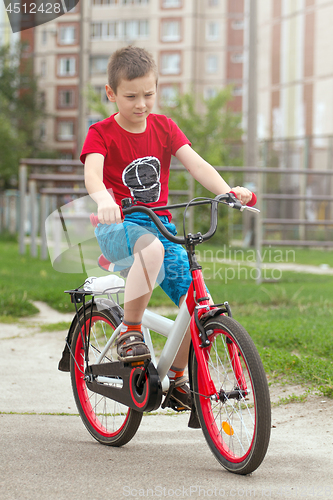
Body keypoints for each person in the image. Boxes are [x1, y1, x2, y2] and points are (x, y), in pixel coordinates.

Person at [81, 45, 252, 411]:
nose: (141, 104)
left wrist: (226, 191)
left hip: (162, 225)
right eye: (131, 96)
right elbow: (93, 174)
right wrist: (104, 200)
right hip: (119, 225)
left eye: (149, 94)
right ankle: (130, 332)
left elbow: (197, 165)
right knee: (152, 250)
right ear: (111, 94)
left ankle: (176, 379)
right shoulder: (102, 132)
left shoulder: (165, 128)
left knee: (195, 299)